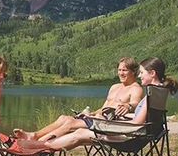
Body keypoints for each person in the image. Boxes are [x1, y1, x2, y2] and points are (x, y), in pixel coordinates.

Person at [20, 57, 177, 152]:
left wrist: (105, 124)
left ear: (152, 73)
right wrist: (97, 116)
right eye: (119, 69)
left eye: (142, 73)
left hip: (130, 139)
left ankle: (37, 146)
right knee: (77, 131)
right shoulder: (159, 91)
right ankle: (38, 144)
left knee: (79, 133)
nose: (140, 76)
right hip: (138, 135)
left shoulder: (148, 93)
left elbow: (136, 123)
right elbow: (141, 120)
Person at [14, 57, 143, 142]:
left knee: (70, 124)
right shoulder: (114, 87)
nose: (121, 73)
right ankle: (34, 135)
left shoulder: (135, 88)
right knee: (64, 118)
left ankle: (38, 144)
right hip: (97, 119)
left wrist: (128, 106)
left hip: (108, 125)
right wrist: (90, 113)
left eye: (124, 70)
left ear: (133, 72)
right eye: (119, 70)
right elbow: (103, 108)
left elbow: (136, 104)